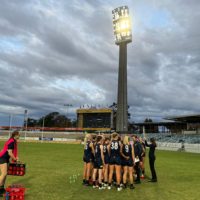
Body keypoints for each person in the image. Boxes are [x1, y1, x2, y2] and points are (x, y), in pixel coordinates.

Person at [0, 131, 20, 196]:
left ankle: (1, 189)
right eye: (18, 135)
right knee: (4, 173)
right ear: (15, 135)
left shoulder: (13, 141)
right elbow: (10, 152)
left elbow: (12, 152)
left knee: (5, 175)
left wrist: (15, 158)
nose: (19, 136)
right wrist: (14, 159)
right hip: (2, 157)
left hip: (6, 158)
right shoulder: (11, 142)